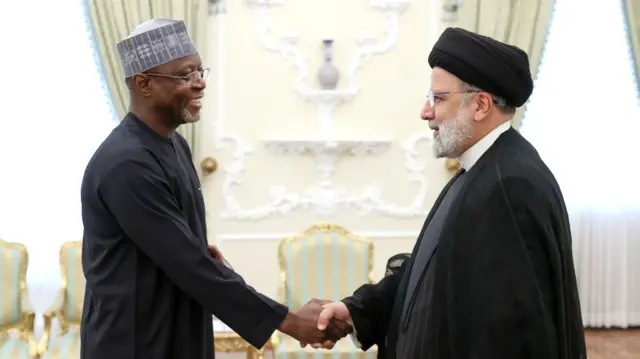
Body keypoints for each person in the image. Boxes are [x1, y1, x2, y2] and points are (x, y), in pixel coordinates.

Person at [306, 27, 588, 359]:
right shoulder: (481, 170)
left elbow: (514, 336)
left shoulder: (508, 186)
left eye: (438, 99)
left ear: (481, 105)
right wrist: (356, 310)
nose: (426, 113)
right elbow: (432, 274)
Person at [79, 18, 348, 359]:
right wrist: (289, 321)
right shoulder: (126, 163)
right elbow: (187, 263)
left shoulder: (174, 145)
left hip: (177, 325)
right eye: (184, 75)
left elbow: (179, 249)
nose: (199, 83)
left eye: (199, 71)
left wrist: (200, 251)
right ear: (144, 83)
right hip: (134, 340)